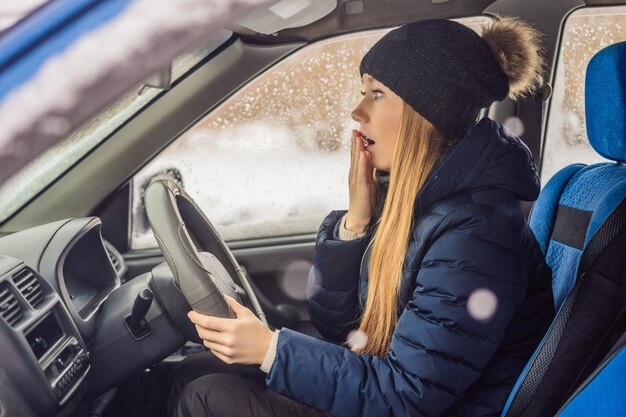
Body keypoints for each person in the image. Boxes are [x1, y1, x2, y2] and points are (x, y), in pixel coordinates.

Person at [170, 16, 555, 417]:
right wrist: (356, 221)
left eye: (377, 94)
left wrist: (270, 350)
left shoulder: (476, 235)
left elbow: (404, 396)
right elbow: (347, 331)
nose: (357, 112)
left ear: (426, 113)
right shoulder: (422, 205)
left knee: (207, 398)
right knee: (195, 371)